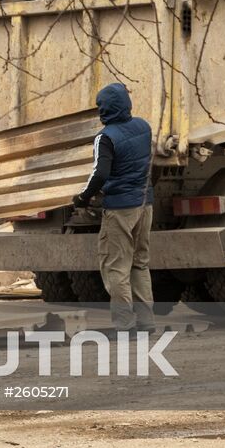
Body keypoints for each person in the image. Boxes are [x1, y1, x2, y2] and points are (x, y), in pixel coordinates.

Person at [73, 82, 155, 331]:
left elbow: (100, 173)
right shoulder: (143, 126)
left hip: (120, 208)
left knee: (116, 266)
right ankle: (146, 322)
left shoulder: (105, 137)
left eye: (100, 106)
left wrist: (83, 198)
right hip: (144, 203)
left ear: (106, 108)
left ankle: (124, 325)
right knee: (140, 263)